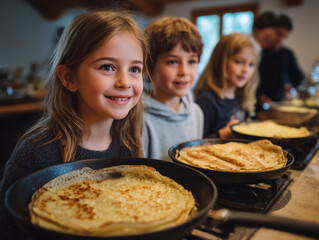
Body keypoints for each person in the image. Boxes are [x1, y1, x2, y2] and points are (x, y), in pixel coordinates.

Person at [0, 10, 149, 240]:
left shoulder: (129, 144)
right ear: (69, 78)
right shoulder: (36, 153)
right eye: (107, 67)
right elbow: (8, 228)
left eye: (135, 69)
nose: (125, 82)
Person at [142, 16, 204, 161]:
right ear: (148, 67)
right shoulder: (139, 119)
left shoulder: (196, 113)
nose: (184, 71)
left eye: (192, 61)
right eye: (173, 61)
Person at [194, 33, 260, 138]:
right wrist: (221, 135)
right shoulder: (206, 101)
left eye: (251, 64)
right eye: (239, 62)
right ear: (220, 61)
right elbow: (195, 143)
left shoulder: (241, 97)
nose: (245, 70)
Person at [257, 13, 304, 106]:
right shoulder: (258, 52)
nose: (280, 39)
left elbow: (298, 78)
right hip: (257, 104)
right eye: (278, 33)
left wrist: (291, 87)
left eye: (285, 36)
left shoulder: (286, 54)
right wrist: (259, 96)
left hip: (278, 103)